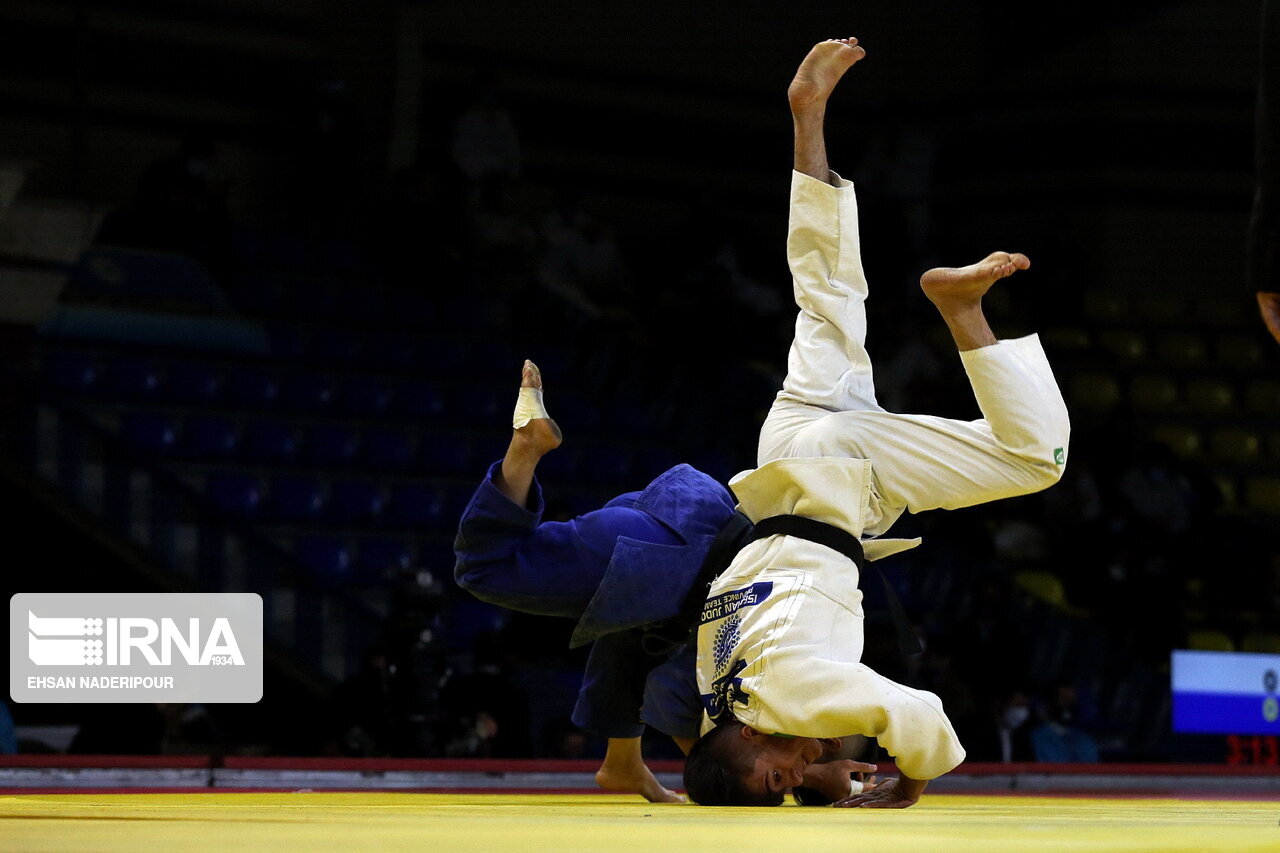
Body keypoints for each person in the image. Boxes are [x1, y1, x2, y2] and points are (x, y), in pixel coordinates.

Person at [454, 35, 1070, 808]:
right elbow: (654, 668)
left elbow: (922, 716)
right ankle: (807, 120)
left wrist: (905, 790)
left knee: (1036, 458)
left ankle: (965, 313)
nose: (795, 766)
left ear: (747, 738)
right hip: (783, 455)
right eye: (789, 780)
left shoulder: (785, 698)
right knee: (826, 291)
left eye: (779, 773)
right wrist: (806, 775)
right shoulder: (720, 685)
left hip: (838, 480)